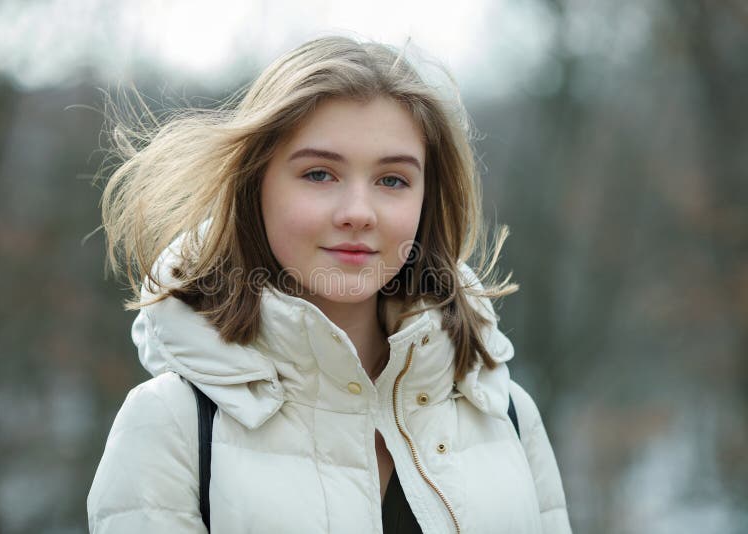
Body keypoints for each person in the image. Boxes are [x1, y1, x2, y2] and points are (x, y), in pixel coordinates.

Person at [87, 35, 571, 533]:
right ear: (256, 186)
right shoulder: (173, 424)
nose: (358, 213)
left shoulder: (507, 414)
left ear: (427, 199)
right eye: (319, 174)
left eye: (392, 180)